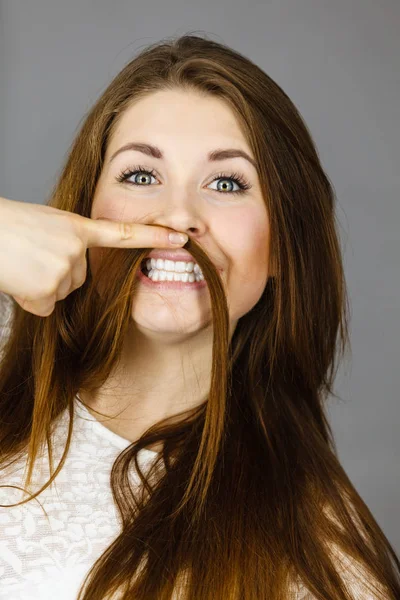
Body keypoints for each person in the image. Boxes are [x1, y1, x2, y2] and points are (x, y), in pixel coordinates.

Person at [0, 33, 399, 600]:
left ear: (284, 244)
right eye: (141, 176)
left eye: (227, 183)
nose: (179, 216)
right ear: (85, 206)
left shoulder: (323, 560)